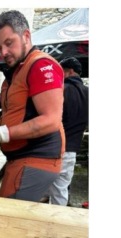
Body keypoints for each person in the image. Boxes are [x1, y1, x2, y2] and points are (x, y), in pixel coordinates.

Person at [0, 10, 65, 202]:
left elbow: (51, 120)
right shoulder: (17, 70)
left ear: (26, 36)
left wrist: (2, 133)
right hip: (22, 160)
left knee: (6, 219)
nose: (3, 52)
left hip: (35, 159)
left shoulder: (40, 65)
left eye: (9, 43)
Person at [43, 57, 89, 206]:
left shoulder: (61, 90)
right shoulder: (88, 93)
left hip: (54, 147)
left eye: (61, 71)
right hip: (72, 151)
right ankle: (57, 224)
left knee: (41, 190)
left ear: (69, 71)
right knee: (60, 192)